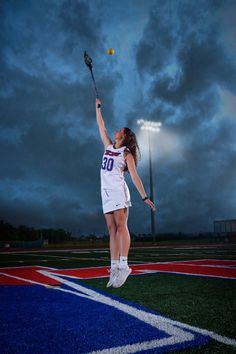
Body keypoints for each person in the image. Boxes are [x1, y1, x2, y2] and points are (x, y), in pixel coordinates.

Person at [96, 98, 156, 288]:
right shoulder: (108, 146)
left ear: (124, 135)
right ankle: (114, 268)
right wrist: (97, 108)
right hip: (105, 192)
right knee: (111, 231)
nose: (115, 131)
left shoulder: (126, 153)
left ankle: (124, 265)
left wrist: (144, 196)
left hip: (118, 192)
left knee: (122, 228)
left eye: (119, 130)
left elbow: (135, 176)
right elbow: (100, 125)